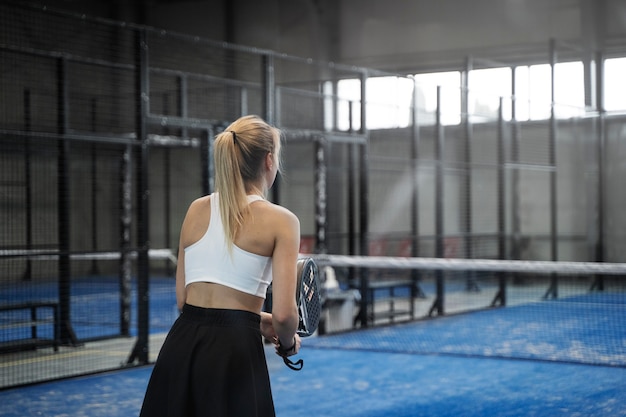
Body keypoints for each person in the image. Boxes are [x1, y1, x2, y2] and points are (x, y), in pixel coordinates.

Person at [139, 115, 301, 417]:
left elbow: (184, 301)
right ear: (268, 161)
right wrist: (288, 343)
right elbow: (284, 315)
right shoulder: (283, 221)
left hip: (181, 344)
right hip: (233, 351)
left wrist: (255, 319)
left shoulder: (195, 209)